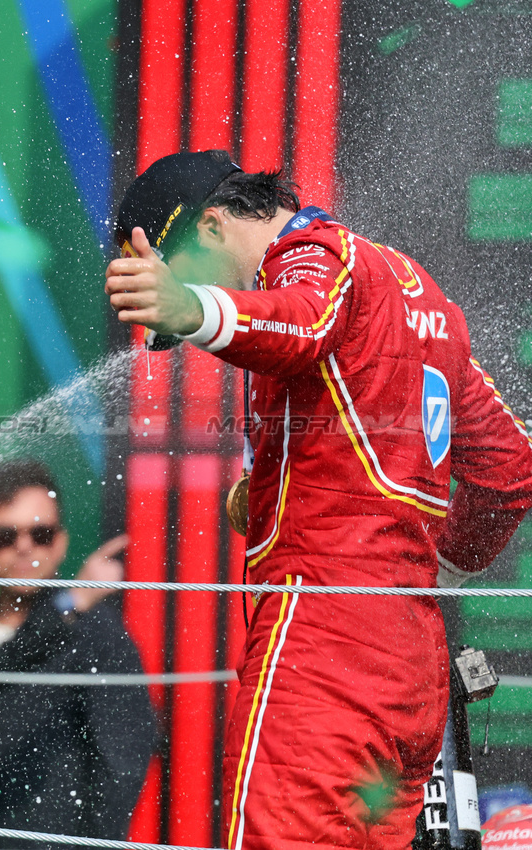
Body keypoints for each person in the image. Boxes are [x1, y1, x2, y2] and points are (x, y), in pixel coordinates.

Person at [104, 149, 532, 850]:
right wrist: (431, 573)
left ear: (211, 228)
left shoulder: (311, 256)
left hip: (320, 653)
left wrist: (188, 308)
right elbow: (509, 471)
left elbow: (300, 323)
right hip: (407, 668)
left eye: (179, 275)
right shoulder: (414, 288)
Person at [0, 459, 155, 845]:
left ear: (60, 543)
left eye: (41, 533)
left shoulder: (96, 634)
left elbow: (122, 764)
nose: (24, 546)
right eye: (4, 536)